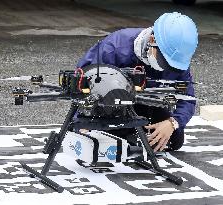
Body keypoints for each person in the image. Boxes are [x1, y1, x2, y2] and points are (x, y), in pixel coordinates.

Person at [76, 12, 198, 152]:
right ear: (152, 40)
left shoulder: (178, 59)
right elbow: (82, 84)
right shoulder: (114, 47)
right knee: (103, 141)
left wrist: (172, 123)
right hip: (112, 108)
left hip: (150, 105)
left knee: (175, 139)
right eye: (164, 61)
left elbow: (187, 99)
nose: (166, 68)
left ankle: (132, 135)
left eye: (171, 66)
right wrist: (82, 122)